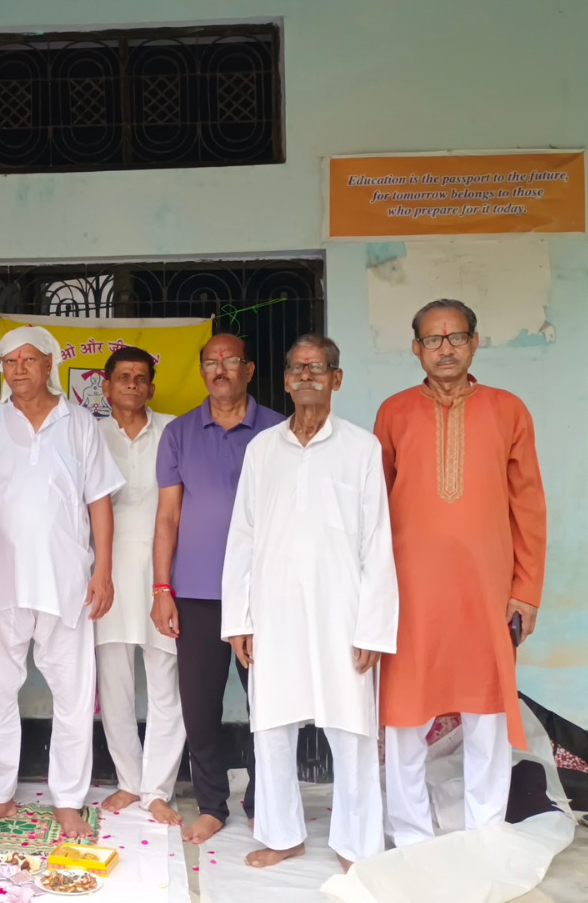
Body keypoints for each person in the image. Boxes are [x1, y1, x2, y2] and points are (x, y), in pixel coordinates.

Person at [221, 334, 398, 870]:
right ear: (284, 380)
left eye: (317, 368)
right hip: (273, 612)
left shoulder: (362, 448)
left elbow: (378, 542)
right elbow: (243, 536)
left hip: (342, 612)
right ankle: (282, 835)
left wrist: (373, 628)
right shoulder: (262, 449)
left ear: (336, 379)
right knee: (272, 728)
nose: (305, 376)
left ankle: (357, 844)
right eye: (297, 368)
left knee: (352, 730)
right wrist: (239, 619)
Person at [377, 298, 548, 847]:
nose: (445, 348)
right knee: (405, 710)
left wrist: (526, 591)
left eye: (456, 337)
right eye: (433, 339)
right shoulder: (394, 413)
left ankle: (485, 831)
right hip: (410, 591)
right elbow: (375, 508)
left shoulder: (508, 410)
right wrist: (373, 593)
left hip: (486, 590)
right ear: (416, 349)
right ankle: (409, 833)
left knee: (486, 707)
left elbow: (529, 506)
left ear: (474, 343)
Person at [0, 325, 124, 841]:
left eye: (28, 360)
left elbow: (99, 501)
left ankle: (69, 800)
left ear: (49, 364)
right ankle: (0, 794)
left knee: (73, 695)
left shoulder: (81, 424)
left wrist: (103, 570)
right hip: (1, 578)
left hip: (66, 578)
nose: (18, 369)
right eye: (10, 361)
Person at [150, 333, 285, 844]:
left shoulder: (278, 429)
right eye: (211, 362)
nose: (221, 369)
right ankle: (212, 804)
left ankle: (265, 800)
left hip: (264, 592)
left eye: (231, 361)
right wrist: (162, 588)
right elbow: (168, 517)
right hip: (197, 591)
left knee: (268, 703)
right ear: (202, 371)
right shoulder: (179, 433)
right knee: (200, 705)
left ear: (249, 370)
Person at [93, 347, 185, 826]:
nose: (132, 383)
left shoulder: (174, 431)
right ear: (106, 386)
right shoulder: (88, 434)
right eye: (123, 376)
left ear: (151, 387)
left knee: (166, 680)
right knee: (115, 683)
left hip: (163, 573)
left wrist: (167, 581)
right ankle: (130, 780)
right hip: (105, 573)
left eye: (140, 377)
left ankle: (157, 789)